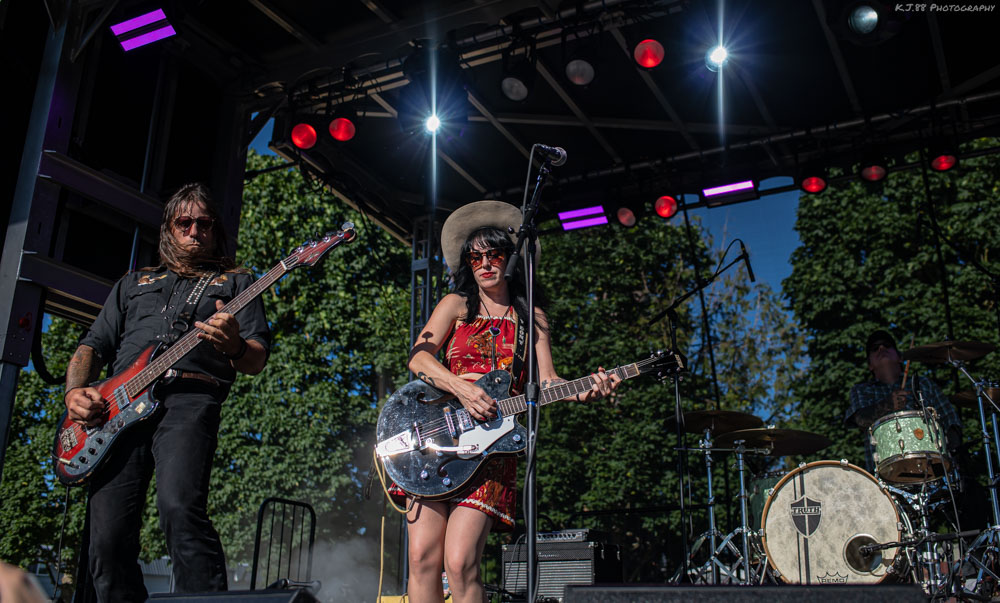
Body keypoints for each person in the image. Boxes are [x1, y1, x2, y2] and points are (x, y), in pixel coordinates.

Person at [397, 200, 620, 603]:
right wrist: (461, 387)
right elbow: (419, 358)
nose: (485, 262)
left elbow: (549, 380)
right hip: (436, 443)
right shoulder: (455, 305)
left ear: (510, 257)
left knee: (461, 562)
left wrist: (585, 388)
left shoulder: (531, 318)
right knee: (421, 558)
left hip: (491, 450)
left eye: (494, 253)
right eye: (475, 256)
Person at [63, 183, 270, 602]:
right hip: (114, 413)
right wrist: (74, 393)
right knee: (106, 537)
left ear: (216, 231)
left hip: (189, 401)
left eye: (204, 224)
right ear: (169, 229)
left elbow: (255, 359)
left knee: (179, 508)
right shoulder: (132, 283)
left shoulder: (236, 282)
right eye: (185, 222)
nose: (195, 231)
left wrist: (232, 344)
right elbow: (92, 345)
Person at [845, 329, 961, 474]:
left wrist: (954, 457)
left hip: (932, 470)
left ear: (900, 358)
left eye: (887, 345)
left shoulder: (923, 383)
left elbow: (951, 421)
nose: (881, 349)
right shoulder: (861, 390)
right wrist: (888, 404)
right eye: (875, 349)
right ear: (870, 365)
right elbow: (861, 420)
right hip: (885, 477)